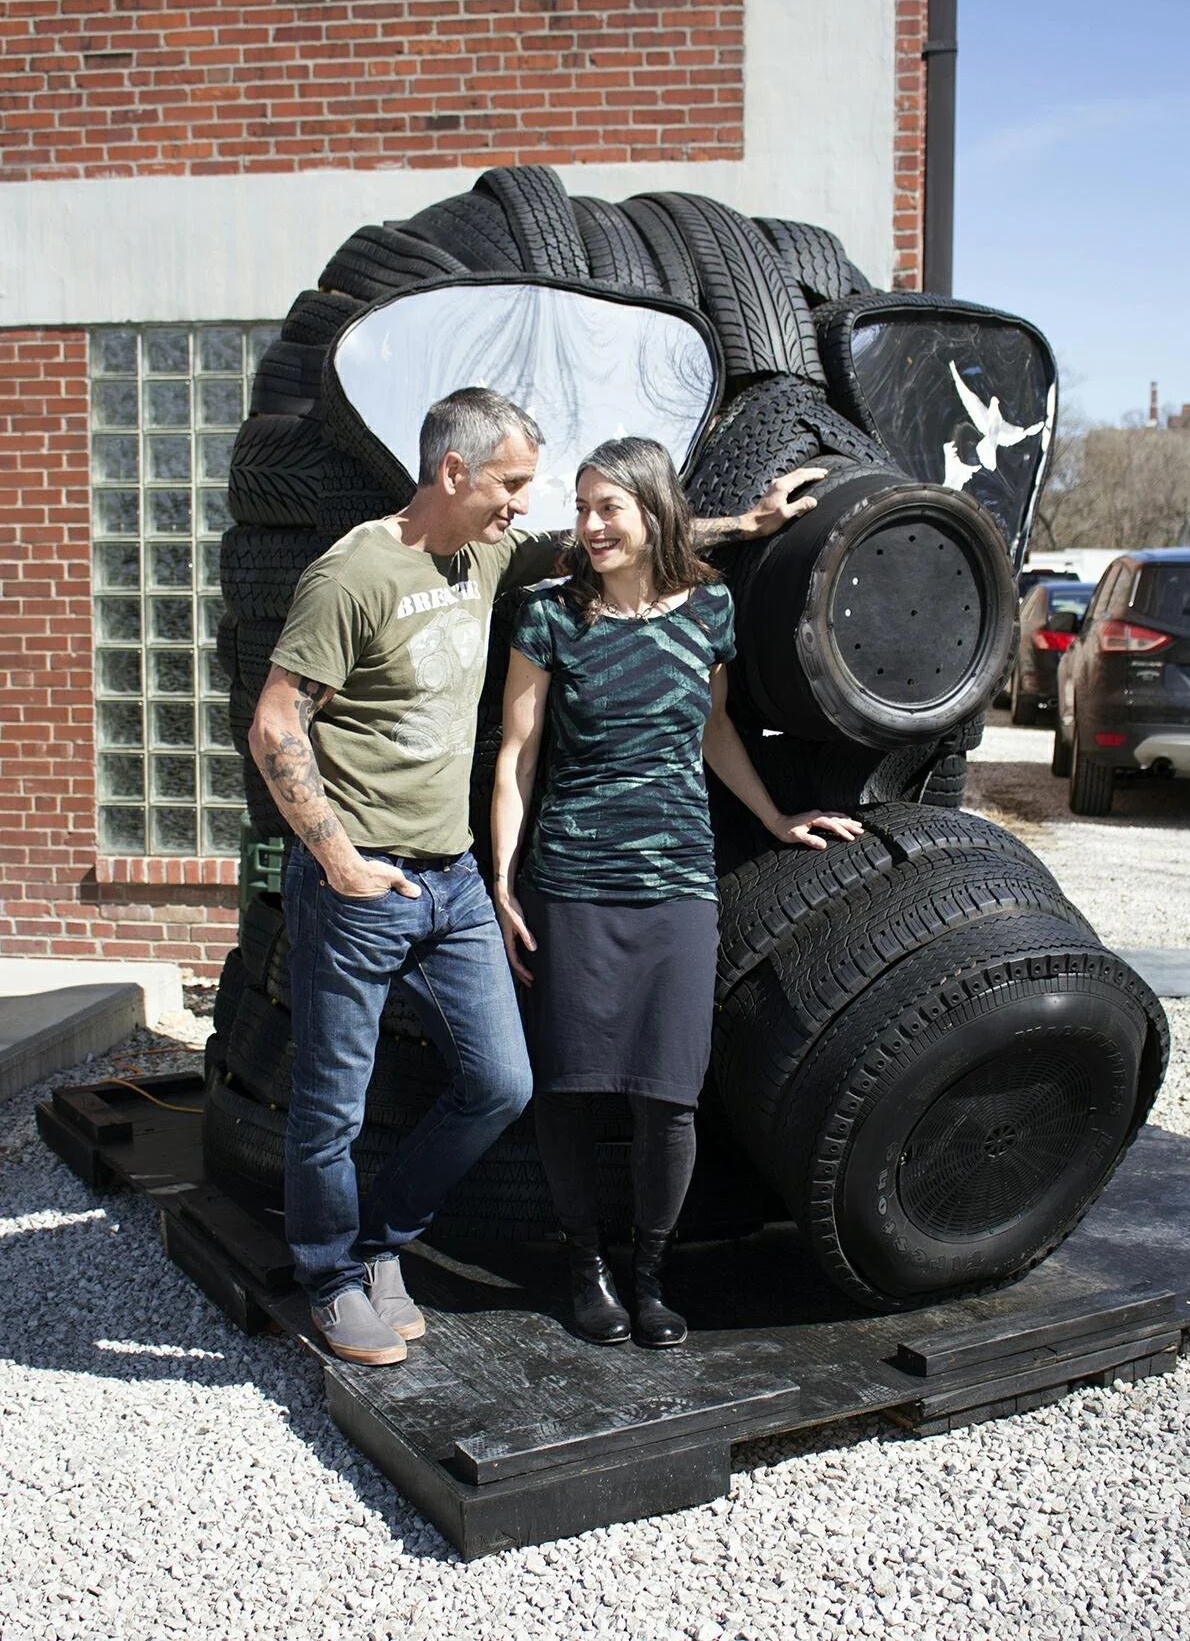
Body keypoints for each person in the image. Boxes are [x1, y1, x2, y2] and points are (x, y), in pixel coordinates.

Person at [249, 390, 817, 1368]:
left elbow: (631, 533)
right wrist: (341, 863)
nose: (533, 507)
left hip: (456, 879)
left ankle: (380, 1243)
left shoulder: (487, 553)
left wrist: (752, 524)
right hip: (363, 882)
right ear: (455, 474)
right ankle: (332, 1278)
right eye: (514, 485)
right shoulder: (352, 573)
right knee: (333, 1105)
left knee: (501, 1083)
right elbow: (274, 726)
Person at [491, 437, 862, 1349]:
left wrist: (775, 820)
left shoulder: (709, 611)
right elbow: (516, 757)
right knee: (572, 1090)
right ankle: (587, 1271)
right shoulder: (548, 615)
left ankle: (650, 1276)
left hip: (680, 887)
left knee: (670, 1096)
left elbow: (714, 730)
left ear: (653, 511)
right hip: (573, 883)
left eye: (607, 507)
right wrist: (502, 879)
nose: (588, 525)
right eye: (580, 508)